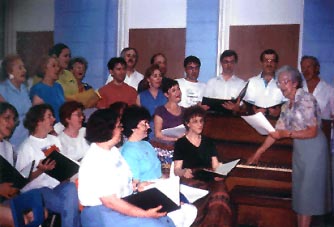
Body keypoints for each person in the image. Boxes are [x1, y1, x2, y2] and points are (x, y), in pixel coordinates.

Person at [247, 65, 331, 227]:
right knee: (300, 196)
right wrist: (259, 152)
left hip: (314, 151)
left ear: (295, 83)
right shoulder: (286, 106)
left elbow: (312, 131)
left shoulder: (306, 99)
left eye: (285, 82)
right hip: (300, 150)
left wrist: (286, 134)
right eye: (279, 82)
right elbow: (277, 132)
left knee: (308, 197)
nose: (281, 86)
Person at [78, 108, 175, 227]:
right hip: (101, 212)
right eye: (119, 126)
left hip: (122, 202)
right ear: (108, 130)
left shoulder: (113, 152)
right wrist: (144, 214)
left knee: (167, 221)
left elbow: (125, 182)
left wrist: (138, 186)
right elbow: (110, 202)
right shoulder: (95, 160)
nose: (122, 129)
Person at [121, 105, 197, 227]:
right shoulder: (128, 151)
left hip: (161, 187)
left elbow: (158, 172)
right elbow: (134, 185)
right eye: (144, 124)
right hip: (147, 194)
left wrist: (169, 184)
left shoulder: (147, 145)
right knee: (182, 213)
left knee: (191, 209)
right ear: (133, 127)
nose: (148, 127)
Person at [15, 104, 80, 227]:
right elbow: (20, 182)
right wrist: (41, 170)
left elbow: (64, 167)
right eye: (49, 116)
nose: (54, 119)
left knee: (71, 188)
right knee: (72, 206)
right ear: (39, 121)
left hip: (57, 186)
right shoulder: (26, 147)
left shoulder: (54, 140)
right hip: (37, 190)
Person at [173, 105, 232, 227]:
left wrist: (221, 172)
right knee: (205, 196)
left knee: (221, 193)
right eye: (195, 121)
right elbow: (176, 169)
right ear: (187, 124)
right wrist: (184, 172)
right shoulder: (181, 143)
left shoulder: (208, 142)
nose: (200, 124)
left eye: (201, 121)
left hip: (209, 178)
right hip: (191, 179)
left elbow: (215, 166)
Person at [0, 54, 31, 149]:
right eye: (20, 68)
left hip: (27, 138)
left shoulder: (24, 88)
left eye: (24, 67)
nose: (24, 70)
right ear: (10, 72)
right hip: (11, 140)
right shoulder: (2, 89)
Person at [243, 49, 286, 118]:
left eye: (272, 61)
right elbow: (247, 106)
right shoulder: (252, 82)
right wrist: (253, 111)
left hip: (277, 123)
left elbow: (288, 105)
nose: (269, 64)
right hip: (256, 122)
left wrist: (280, 111)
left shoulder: (284, 82)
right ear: (261, 63)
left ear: (276, 64)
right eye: (266, 61)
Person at [30, 56, 65, 122]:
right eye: (54, 66)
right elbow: (39, 118)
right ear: (44, 69)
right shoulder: (38, 89)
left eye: (58, 66)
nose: (57, 69)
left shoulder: (58, 87)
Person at [300, 55, 334, 119]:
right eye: (303, 68)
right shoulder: (298, 88)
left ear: (317, 68)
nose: (305, 71)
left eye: (308, 67)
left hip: (322, 128)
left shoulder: (330, 90)